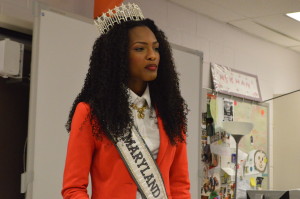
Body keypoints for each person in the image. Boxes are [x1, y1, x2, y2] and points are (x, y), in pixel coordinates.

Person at [62, 3, 191, 199]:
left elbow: (180, 184)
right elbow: (73, 189)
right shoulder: (91, 113)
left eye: (156, 49)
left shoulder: (171, 111)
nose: (152, 56)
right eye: (140, 48)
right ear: (118, 56)